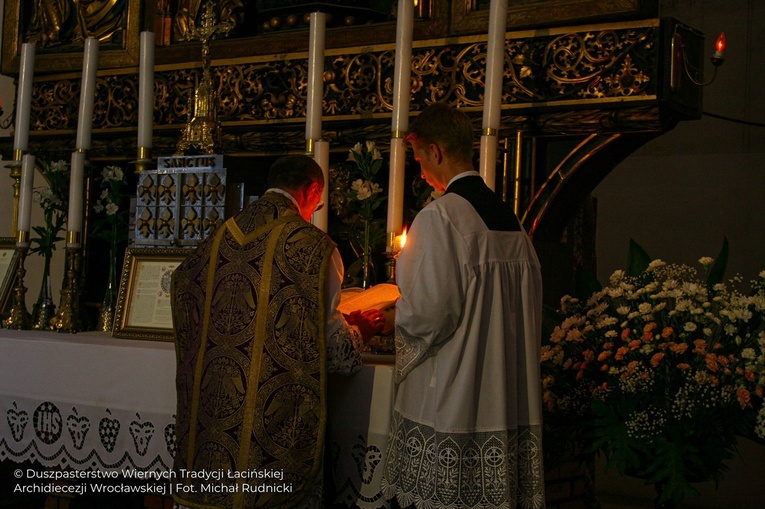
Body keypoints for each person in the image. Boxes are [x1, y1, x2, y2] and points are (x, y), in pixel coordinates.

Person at [171, 155, 383, 509]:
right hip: (274, 437)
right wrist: (360, 329)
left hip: (212, 434)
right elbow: (335, 357)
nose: (316, 208)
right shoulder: (314, 248)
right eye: (318, 201)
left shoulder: (215, 242)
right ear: (312, 189)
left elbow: (181, 284)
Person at [382, 104, 546, 509]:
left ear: (435, 152)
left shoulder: (441, 217)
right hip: (503, 395)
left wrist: (392, 318)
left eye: (419, 158)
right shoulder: (514, 224)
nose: (419, 170)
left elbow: (430, 315)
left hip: (453, 398)